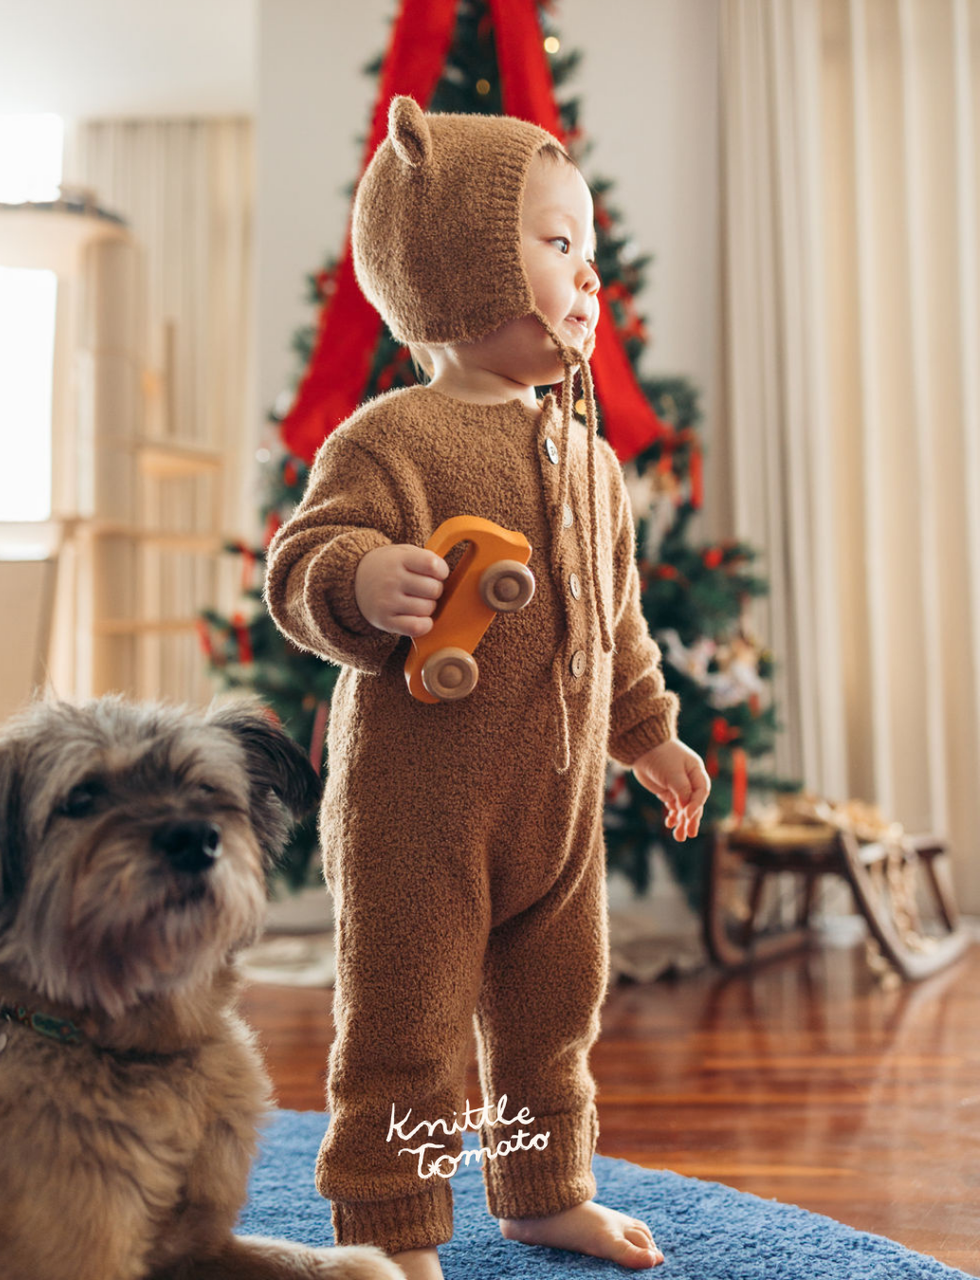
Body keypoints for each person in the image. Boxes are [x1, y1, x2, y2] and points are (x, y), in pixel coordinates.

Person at [264, 96, 711, 1280]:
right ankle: (394, 1228)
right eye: (558, 244)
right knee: (406, 1023)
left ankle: (540, 1185)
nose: (588, 274)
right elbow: (299, 565)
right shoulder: (388, 438)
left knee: (553, 1014)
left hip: (556, 809)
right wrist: (362, 576)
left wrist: (651, 735)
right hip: (418, 810)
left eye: (591, 250)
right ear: (458, 263)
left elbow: (615, 621)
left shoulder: (592, 462)